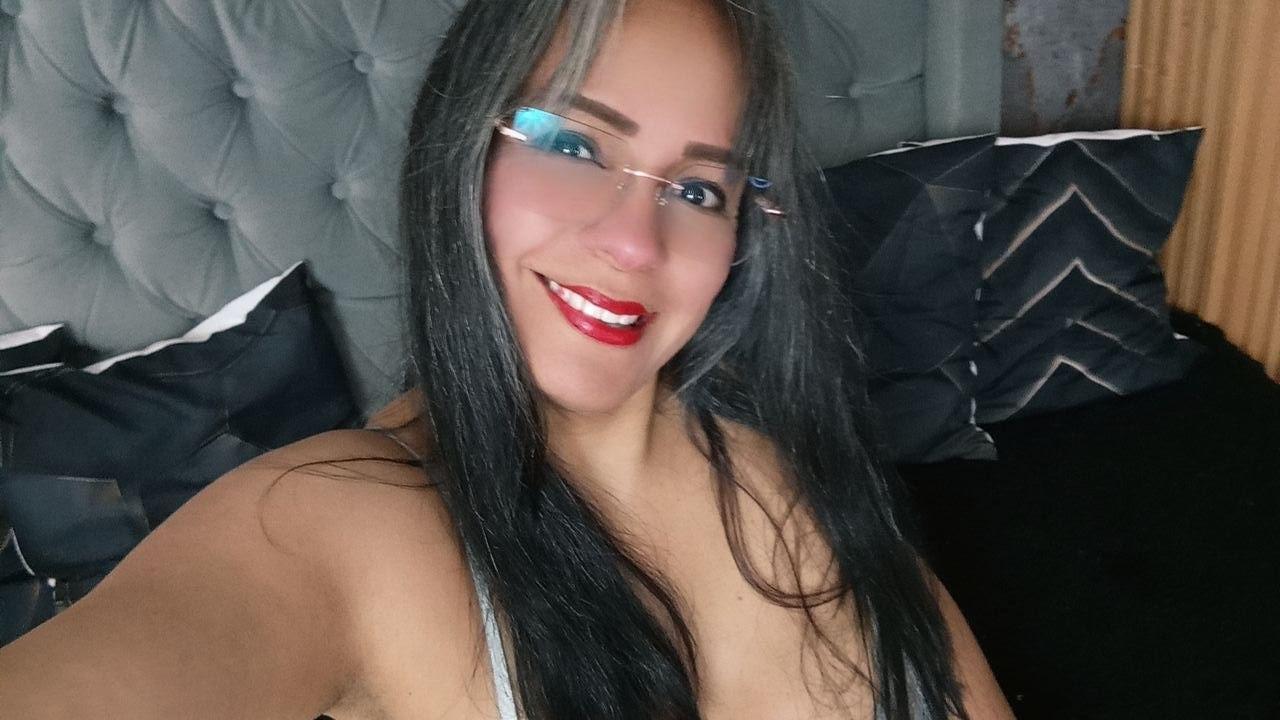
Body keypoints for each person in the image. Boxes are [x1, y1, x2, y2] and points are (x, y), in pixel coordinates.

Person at [0, 0, 1015, 718]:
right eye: (571, 145)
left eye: (697, 190)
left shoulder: (791, 480)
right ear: (461, 148)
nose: (635, 244)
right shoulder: (337, 523)